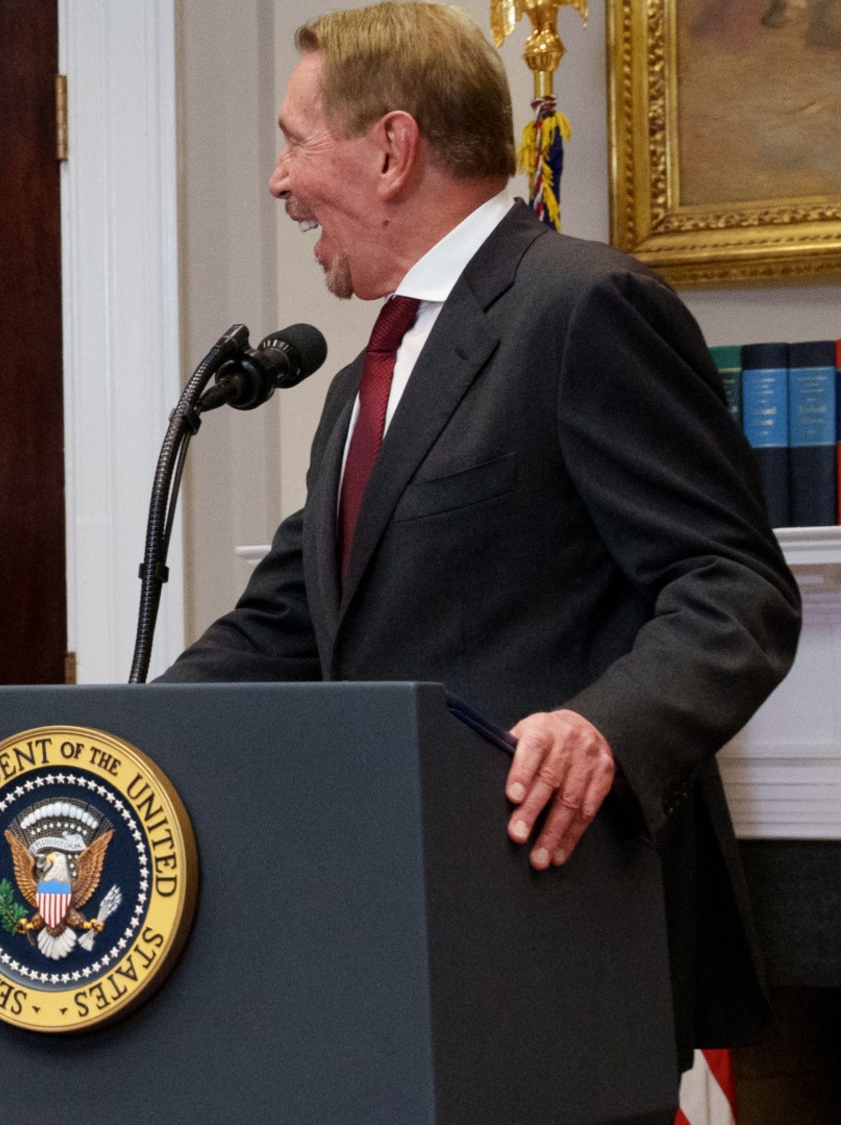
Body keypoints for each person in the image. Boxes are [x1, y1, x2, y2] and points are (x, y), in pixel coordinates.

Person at [158, 1, 800, 1067]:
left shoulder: (584, 306)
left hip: (560, 932)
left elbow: (735, 587)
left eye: (293, 141)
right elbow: (285, 625)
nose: (276, 181)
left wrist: (603, 727)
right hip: (406, 941)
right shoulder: (363, 379)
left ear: (392, 148)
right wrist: (118, 744)